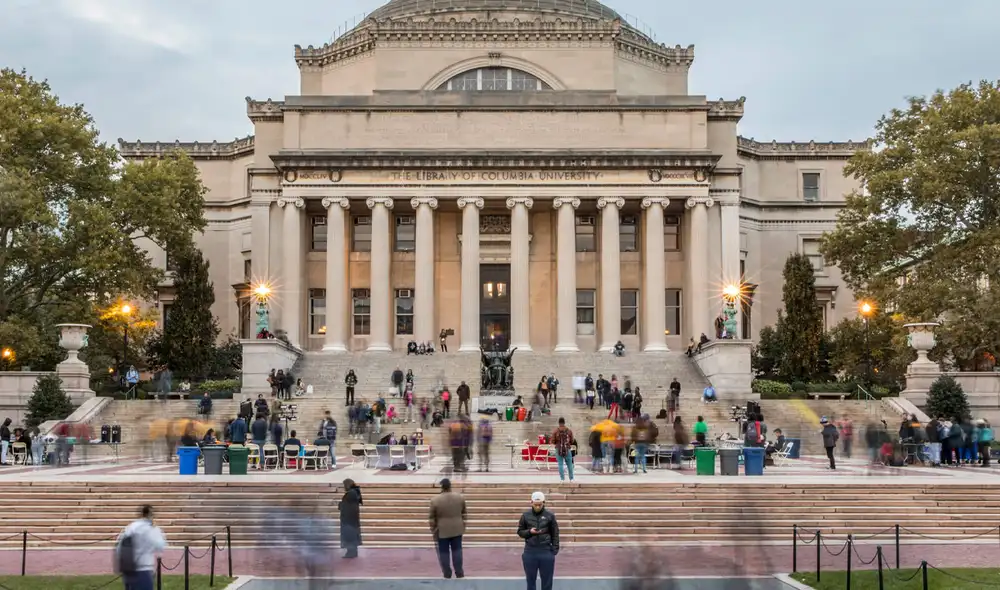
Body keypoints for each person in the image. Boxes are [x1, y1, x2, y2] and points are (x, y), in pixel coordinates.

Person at [116, 505, 167, 590]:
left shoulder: (130, 527)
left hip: (129, 570)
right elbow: (160, 545)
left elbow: (119, 547)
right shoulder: (151, 529)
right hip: (144, 569)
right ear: (151, 515)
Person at [518, 491, 559, 590]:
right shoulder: (525, 515)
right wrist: (530, 532)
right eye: (535, 504)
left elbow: (555, 533)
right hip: (530, 551)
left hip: (545, 551)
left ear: (544, 503)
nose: (537, 507)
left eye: (540, 504)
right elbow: (520, 532)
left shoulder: (550, 515)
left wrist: (554, 550)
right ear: (531, 502)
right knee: (530, 581)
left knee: (547, 582)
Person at [429, 478, 466, 579]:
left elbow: (432, 518)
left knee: (444, 553)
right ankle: (459, 572)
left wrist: (433, 529)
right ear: (450, 486)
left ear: (441, 487)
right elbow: (464, 513)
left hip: (442, 530)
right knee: (457, 551)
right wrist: (463, 525)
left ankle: (447, 573)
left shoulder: (435, 500)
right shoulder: (460, 498)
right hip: (457, 529)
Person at [338, 479, 363, 558]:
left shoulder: (351, 493)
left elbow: (347, 506)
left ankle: (351, 552)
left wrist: (340, 505)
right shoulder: (355, 492)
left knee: (349, 535)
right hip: (352, 518)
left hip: (349, 519)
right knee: (352, 534)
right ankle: (352, 551)